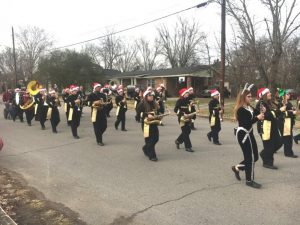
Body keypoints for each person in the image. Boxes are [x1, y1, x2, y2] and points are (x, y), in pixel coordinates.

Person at [232, 83, 264, 189]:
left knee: (255, 156)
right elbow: (246, 123)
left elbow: (258, 113)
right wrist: (257, 118)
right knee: (249, 158)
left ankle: (237, 167)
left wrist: (262, 111)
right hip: (243, 134)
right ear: (243, 97)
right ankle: (249, 180)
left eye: (251, 96)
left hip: (249, 133)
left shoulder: (249, 107)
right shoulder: (241, 110)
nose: (251, 98)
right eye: (249, 96)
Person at [256, 88, 282, 169]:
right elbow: (268, 116)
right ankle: (267, 163)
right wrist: (279, 111)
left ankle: (264, 153)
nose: (270, 93)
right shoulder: (261, 103)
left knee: (279, 142)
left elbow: (273, 113)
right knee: (269, 145)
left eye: (270, 92)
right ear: (263, 95)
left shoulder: (268, 103)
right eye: (268, 93)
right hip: (265, 127)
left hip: (272, 126)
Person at [137, 89, 160, 161]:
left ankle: (145, 148)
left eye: (152, 95)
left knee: (156, 139)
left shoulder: (154, 103)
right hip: (146, 124)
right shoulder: (141, 104)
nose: (151, 97)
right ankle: (152, 156)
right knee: (149, 140)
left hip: (154, 123)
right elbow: (139, 114)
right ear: (146, 96)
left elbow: (157, 112)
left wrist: (159, 116)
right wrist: (147, 115)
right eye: (150, 95)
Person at [277, 89, 298, 158]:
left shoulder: (288, 102)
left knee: (286, 138)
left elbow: (290, 110)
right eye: (287, 94)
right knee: (287, 138)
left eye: (289, 94)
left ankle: (272, 148)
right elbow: (281, 113)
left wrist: (294, 111)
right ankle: (288, 153)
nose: (289, 95)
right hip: (284, 122)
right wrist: (292, 112)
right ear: (283, 96)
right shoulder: (281, 103)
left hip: (288, 122)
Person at [174, 88, 194, 152]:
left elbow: (190, 110)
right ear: (183, 94)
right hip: (181, 118)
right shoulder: (179, 101)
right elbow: (175, 110)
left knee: (188, 131)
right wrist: (182, 113)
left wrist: (191, 106)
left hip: (188, 118)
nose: (188, 94)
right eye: (186, 93)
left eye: (188, 93)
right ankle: (188, 147)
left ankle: (178, 141)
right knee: (185, 132)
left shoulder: (188, 101)